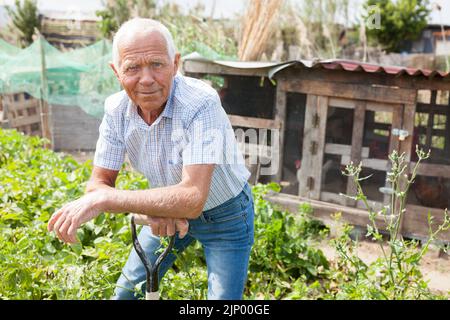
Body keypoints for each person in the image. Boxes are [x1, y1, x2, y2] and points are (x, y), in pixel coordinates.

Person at [47, 17, 254, 300]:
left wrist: (108, 200)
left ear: (175, 64)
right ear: (116, 72)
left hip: (226, 214)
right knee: (125, 294)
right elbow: (99, 185)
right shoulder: (116, 110)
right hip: (163, 208)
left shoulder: (200, 102)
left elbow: (192, 197)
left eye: (157, 64)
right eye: (132, 67)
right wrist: (149, 211)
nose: (146, 79)